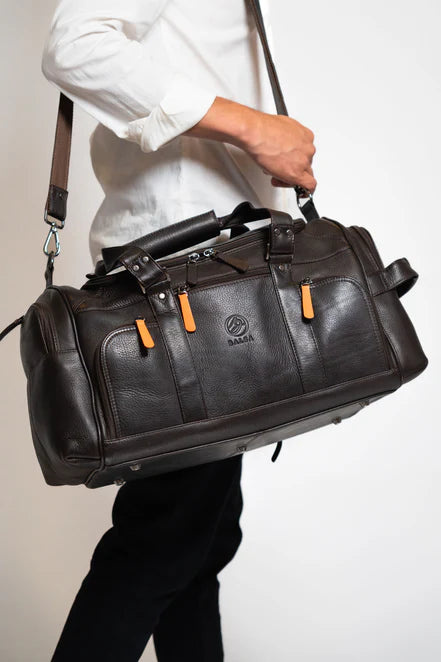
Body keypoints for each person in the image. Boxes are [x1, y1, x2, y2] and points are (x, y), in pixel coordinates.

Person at [41, 1, 316, 660]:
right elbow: (74, 45)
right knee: (164, 539)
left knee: (198, 539)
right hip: (186, 274)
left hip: (215, 269)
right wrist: (254, 128)